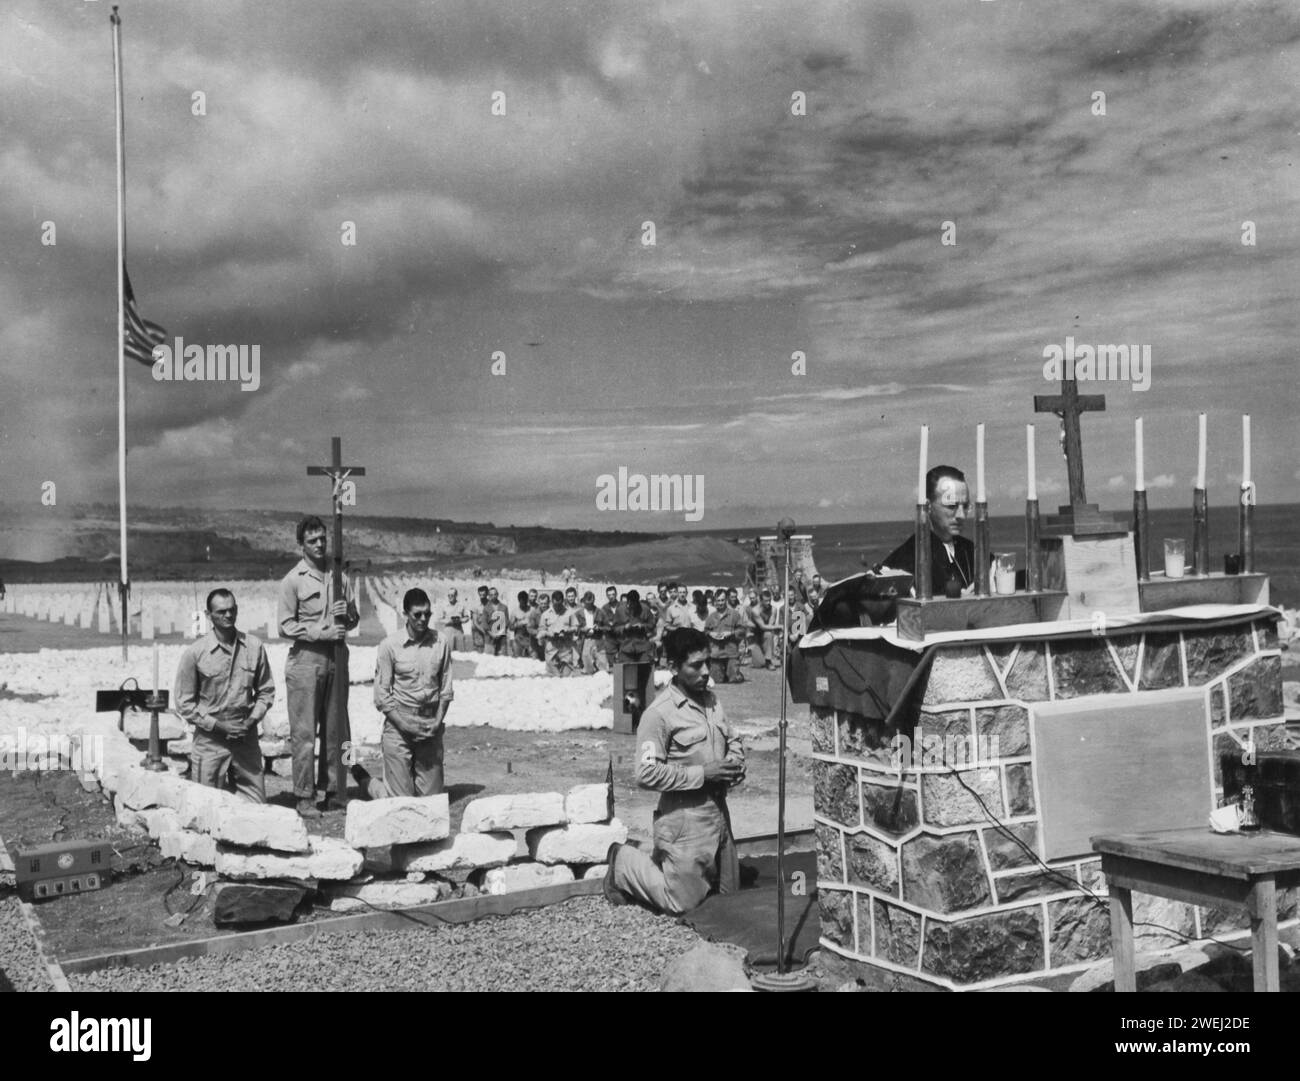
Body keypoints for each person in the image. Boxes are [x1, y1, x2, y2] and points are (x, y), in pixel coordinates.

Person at [604, 627, 745, 913]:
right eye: (696, 665)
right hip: (684, 818)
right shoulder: (659, 713)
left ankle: (658, 856)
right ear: (674, 667)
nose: (706, 671)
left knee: (731, 900)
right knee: (681, 903)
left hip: (718, 814)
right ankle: (622, 861)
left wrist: (736, 762)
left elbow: (733, 738)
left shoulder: (712, 700)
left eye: (707, 662)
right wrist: (703, 774)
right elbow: (645, 773)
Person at [279, 515, 360, 817]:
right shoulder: (292, 580)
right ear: (301, 545)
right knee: (303, 733)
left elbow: (354, 619)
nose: (319, 544)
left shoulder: (340, 576)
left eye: (322, 539)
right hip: (306, 661)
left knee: (338, 729)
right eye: (312, 540)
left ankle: (336, 791)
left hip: (337, 658)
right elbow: (284, 625)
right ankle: (304, 795)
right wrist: (320, 631)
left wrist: (347, 612)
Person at [173, 588, 274, 803]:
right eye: (221, 612)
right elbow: (185, 704)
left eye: (232, 610)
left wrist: (251, 721)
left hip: (245, 737)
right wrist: (219, 726)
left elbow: (266, 691)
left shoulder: (254, 647)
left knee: (257, 810)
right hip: (211, 741)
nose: (228, 615)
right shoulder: (195, 653)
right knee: (204, 807)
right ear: (209, 615)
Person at [355, 588, 452, 798]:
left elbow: (446, 689)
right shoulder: (389, 646)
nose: (423, 619)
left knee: (431, 801)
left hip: (429, 724)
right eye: (417, 614)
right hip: (400, 725)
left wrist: (438, 721)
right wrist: (405, 725)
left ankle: (413, 782)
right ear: (405, 614)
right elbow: (381, 696)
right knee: (400, 803)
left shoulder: (441, 642)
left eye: (427, 613)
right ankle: (364, 779)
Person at [881, 465, 976, 598]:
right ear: (928, 507)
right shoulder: (905, 559)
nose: (961, 515)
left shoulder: (973, 551)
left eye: (965, 506)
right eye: (952, 506)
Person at [704, 589, 745, 684]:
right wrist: (710, 633)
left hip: (731, 652)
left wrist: (731, 633)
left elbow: (742, 631)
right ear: (715, 602)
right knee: (716, 681)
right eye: (718, 600)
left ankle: (735, 673)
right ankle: (724, 673)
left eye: (722, 600)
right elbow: (705, 631)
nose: (720, 603)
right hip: (716, 654)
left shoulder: (735, 615)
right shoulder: (711, 617)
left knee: (734, 680)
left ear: (726, 600)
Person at [539, 589, 579, 676]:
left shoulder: (569, 613)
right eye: (555, 604)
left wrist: (567, 631)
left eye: (559, 604)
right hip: (551, 649)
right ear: (552, 602)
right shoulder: (545, 614)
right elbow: (541, 630)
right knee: (554, 676)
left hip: (565, 648)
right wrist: (548, 633)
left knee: (566, 676)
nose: (557, 606)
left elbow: (575, 627)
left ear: (562, 601)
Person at [613, 588, 657, 664]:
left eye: (635, 603)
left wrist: (642, 626)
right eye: (630, 603)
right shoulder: (620, 610)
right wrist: (624, 627)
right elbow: (614, 628)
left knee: (644, 671)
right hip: (626, 646)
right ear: (628, 601)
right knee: (627, 672)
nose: (632, 605)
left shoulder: (645, 609)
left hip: (642, 646)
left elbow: (652, 624)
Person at [747, 589, 780, 669]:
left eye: (769, 600)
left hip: (765, 635)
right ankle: (759, 655)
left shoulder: (774, 609)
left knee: (768, 633)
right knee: (759, 664)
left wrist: (774, 626)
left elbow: (769, 626)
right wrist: (779, 626)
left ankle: (768, 661)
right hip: (755, 638)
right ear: (761, 600)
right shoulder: (755, 610)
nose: (768, 603)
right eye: (765, 601)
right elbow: (763, 626)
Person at [574, 591, 602, 674]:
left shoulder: (599, 611)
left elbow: (606, 626)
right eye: (587, 603)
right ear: (584, 601)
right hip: (585, 639)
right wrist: (582, 629)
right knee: (586, 659)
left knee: (600, 662)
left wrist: (599, 628)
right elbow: (574, 628)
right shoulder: (579, 613)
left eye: (591, 603)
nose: (590, 605)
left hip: (597, 639)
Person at [595, 585, 621, 670]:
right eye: (609, 595)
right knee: (611, 662)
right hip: (610, 639)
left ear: (616, 594)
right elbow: (599, 624)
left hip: (622, 637)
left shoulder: (623, 606)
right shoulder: (604, 608)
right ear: (607, 596)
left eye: (613, 594)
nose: (611, 597)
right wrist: (605, 627)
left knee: (623, 660)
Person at [486, 587, 509, 655]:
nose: (493, 596)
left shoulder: (504, 607)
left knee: (502, 661)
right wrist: (491, 634)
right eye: (491, 595)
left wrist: (499, 634)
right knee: (489, 662)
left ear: (498, 594)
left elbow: (506, 622)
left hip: (502, 638)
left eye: (495, 594)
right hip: (490, 638)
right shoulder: (486, 608)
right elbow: (484, 623)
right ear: (489, 596)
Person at [509, 590, 532, 658]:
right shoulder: (515, 611)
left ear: (527, 600)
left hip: (530, 639)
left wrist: (530, 624)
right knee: (517, 660)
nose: (524, 604)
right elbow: (510, 627)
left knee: (531, 661)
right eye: (522, 602)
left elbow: (538, 624)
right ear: (519, 600)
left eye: (525, 602)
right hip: (518, 639)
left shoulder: (532, 610)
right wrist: (518, 624)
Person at [527, 591, 549, 660]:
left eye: (545, 603)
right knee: (535, 663)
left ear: (549, 603)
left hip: (548, 642)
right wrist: (539, 632)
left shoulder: (552, 612)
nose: (543, 605)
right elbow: (529, 628)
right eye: (541, 603)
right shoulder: (534, 613)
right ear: (539, 603)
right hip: (535, 643)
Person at [470, 585, 491, 652]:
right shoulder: (475, 606)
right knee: (479, 652)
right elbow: (475, 622)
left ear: (487, 594)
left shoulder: (491, 605)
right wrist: (485, 632)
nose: (482, 597)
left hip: (489, 631)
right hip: (478, 632)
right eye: (480, 595)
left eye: (484, 595)